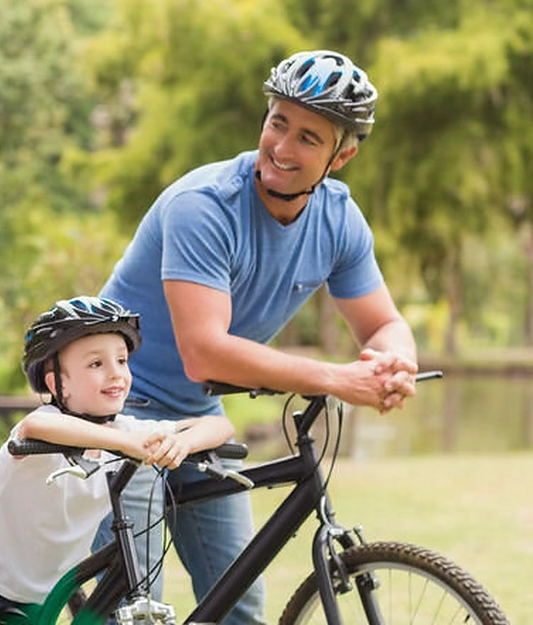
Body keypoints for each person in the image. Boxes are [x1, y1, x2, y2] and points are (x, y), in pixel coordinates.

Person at [95, 50, 420, 624]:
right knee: (134, 611)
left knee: (238, 608)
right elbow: (205, 352)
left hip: (198, 420)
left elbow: (383, 325)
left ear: (341, 155)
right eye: (278, 123)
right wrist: (340, 378)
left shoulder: (339, 220)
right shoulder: (205, 206)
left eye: (309, 138)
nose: (283, 148)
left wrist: (395, 365)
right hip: (114, 411)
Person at [0, 296, 234, 624]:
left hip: (44, 583)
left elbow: (219, 425)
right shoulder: (49, 426)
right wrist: (126, 443)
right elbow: (36, 425)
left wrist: (181, 443)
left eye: (122, 361)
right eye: (97, 364)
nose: (116, 374)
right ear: (57, 383)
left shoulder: (127, 427)